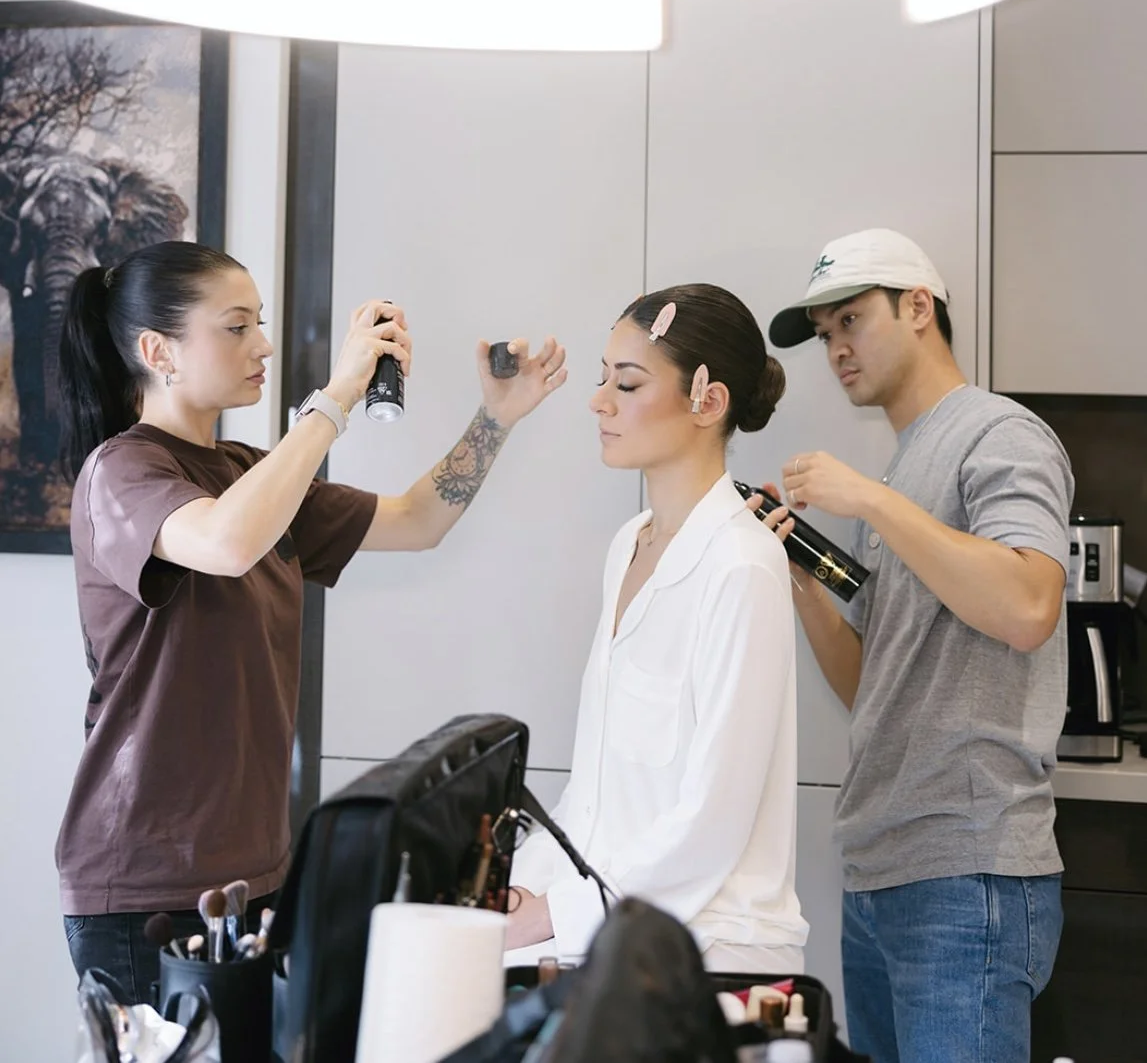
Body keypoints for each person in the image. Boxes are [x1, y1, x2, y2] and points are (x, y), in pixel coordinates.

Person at [55, 240, 567, 1003]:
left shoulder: (245, 471)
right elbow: (226, 541)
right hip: (143, 884)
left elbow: (416, 520)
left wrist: (495, 419)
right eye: (235, 327)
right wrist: (336, 399)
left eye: (259, 322)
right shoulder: (120, 473)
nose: (262, 343)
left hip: (254, 871)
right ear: (157, 349)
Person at [765, 228, 1072, 1063]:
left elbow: (1027, 604)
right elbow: (873, 683)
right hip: (878, 871)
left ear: (916, 307)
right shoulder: (901, 472)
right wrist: (800, 574)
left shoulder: (998, 434)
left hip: (964, 870)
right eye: (824, 334)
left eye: (849, 321)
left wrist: (865, 499)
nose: (834, 348)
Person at [505, 283, 808, 974]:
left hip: (711, 945)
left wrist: (549, 915)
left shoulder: (741, 565)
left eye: (628, 381)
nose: (598, 400)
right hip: (614, 925)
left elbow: (711, 819)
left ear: (708, 399)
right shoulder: (629, 544)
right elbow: (594, 793)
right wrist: (517, 888)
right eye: (602, 378)